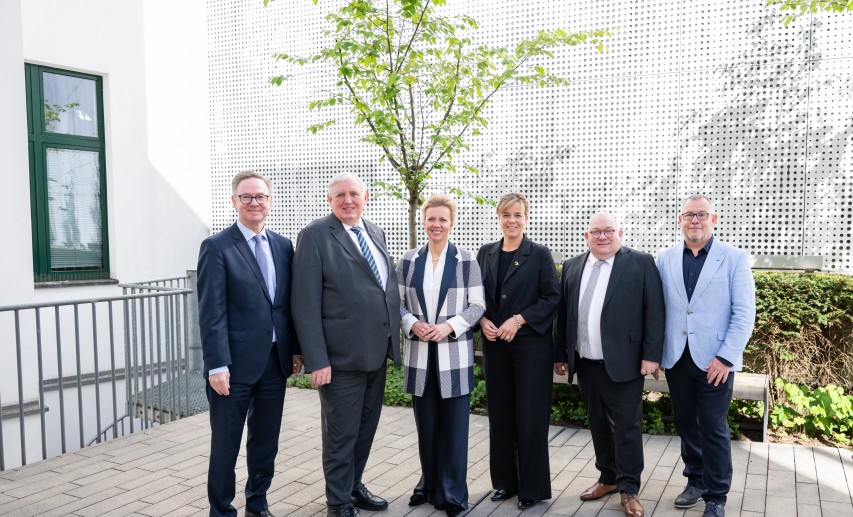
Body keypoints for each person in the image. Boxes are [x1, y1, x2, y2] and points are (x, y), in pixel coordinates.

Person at [291, 172, 402, 517]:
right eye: (340, 195)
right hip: (338, 360)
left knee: (365, 429)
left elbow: (383, 286)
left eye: (354, 193)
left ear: (366, 196)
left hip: (375, 353)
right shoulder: (314, 236)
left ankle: (353, 486)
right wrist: (317, 359)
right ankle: (338, 503)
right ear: (330, 200)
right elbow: (305, 303)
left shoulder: (375, 231)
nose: (348, 200)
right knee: (340, 434)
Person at [197, 170, 302, 517]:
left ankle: (257, 503)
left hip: (274, 363)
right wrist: (217, 364)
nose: (254, 202)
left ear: (270, 202)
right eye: (247, 197)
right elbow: (211, 311)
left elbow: (288, 306)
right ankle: (222, 510)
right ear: (234, 201)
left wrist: (296, 349)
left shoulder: (283, 246)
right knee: (225, 445)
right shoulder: (217, 246)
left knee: (265, 442)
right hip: (232, 367)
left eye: (260, 197)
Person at [554, 211, 665, 517]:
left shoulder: (640, 262)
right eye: (596, 232)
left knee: (627, 427)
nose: (602, 236)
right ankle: (608, 478)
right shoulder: (573, 266)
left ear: (621, 233)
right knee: (598, 423)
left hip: (626, 362)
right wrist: (561, 354)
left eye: (609, 231)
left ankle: (629, 488)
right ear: (586, 236)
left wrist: (651, 355)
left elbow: (654, 310)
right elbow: (564, 314)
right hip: (586, 362)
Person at [656, 195, 756, 517]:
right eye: (689, 215)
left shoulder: (734, 258)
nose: (694, 220)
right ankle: (695, 481)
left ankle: (716, 496)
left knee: (713, 426)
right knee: (686, 424)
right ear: (680, 220)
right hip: (677, 358)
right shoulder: (665, 259)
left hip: (716, 361)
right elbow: (658, 310)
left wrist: (726, 357)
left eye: (701, 215)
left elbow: (744, 313)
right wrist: (654, 353)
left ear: (714, 219)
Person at [396, 194, 485, 517]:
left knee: (454, 430)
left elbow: (478, 306)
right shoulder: (408, 260)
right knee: (427, 426)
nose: (436, 225)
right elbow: (398, 303)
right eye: (431, 219)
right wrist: (412, 324)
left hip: (454, 357)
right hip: (420, 356)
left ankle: (453, 494)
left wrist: (449, 326)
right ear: (424, 221)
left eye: (442, 219)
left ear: (452, 222)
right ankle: (429, 485)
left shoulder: (466, 260)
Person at [476, 192, 560, 511]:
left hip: (531, 349)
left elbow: (552, 298)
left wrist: (518, 319)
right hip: (495, 347)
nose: (512, 220)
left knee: (530, 416)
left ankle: (532, 487)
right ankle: (505, 483)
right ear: (499, 217)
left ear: (527, 218)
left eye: (518, 214)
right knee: (500, 416)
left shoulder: (538, 254)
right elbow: (476, 296)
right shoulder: (485, 253)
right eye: (506, 214)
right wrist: (482, 320)